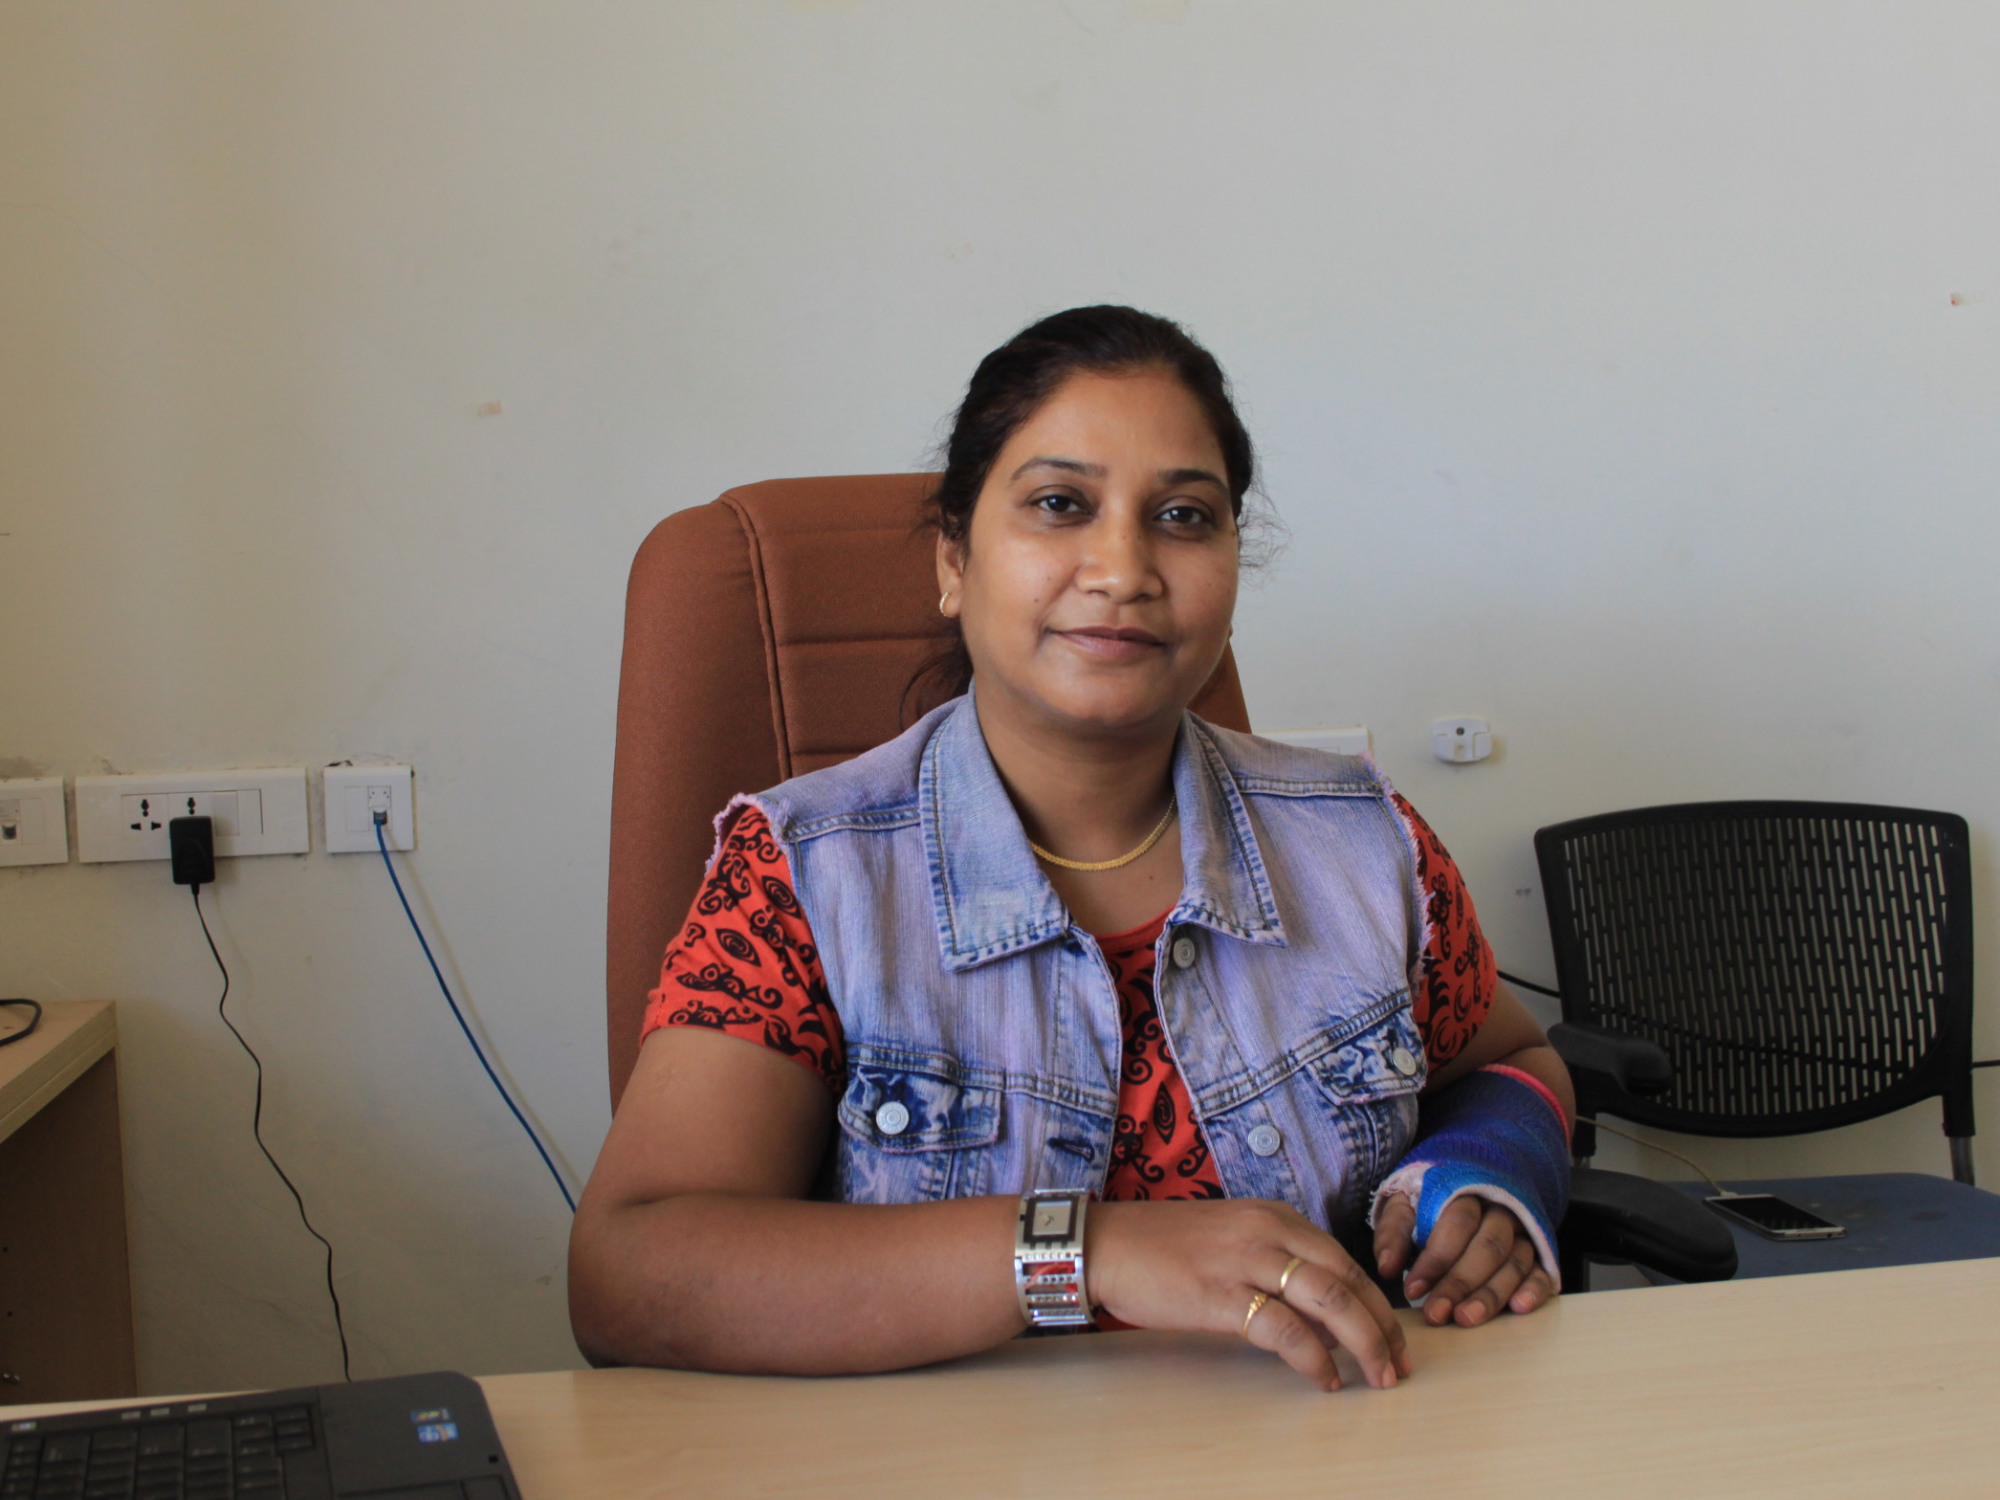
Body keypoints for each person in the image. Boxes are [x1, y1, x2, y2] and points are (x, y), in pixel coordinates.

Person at [569, 306, 1575, 1392]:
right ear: (952, 561)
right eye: (1059, 505)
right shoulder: (804, 876)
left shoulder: (1361, 839)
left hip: (1326, 1442)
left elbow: (1510, 1064)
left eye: (1183, 516)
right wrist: (1082, 1251)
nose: (1122, 567)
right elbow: (631, 1273)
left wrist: (1480, 1173)